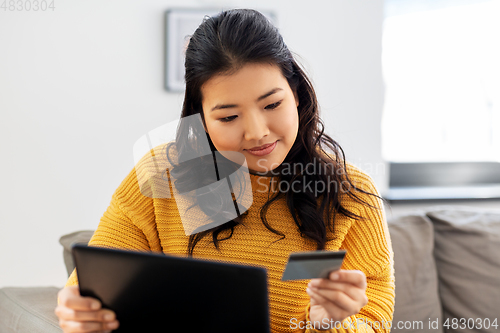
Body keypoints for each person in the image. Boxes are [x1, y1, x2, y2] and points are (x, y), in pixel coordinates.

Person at [55, 8, 395, 333]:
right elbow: (94, 284)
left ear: (297, 94)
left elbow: (375, 321)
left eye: (272, 104)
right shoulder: (162, 174)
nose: (257, 131)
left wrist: (330, 323)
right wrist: (79, 309)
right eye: (229, 117)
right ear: (201, 119)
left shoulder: (352, 193)